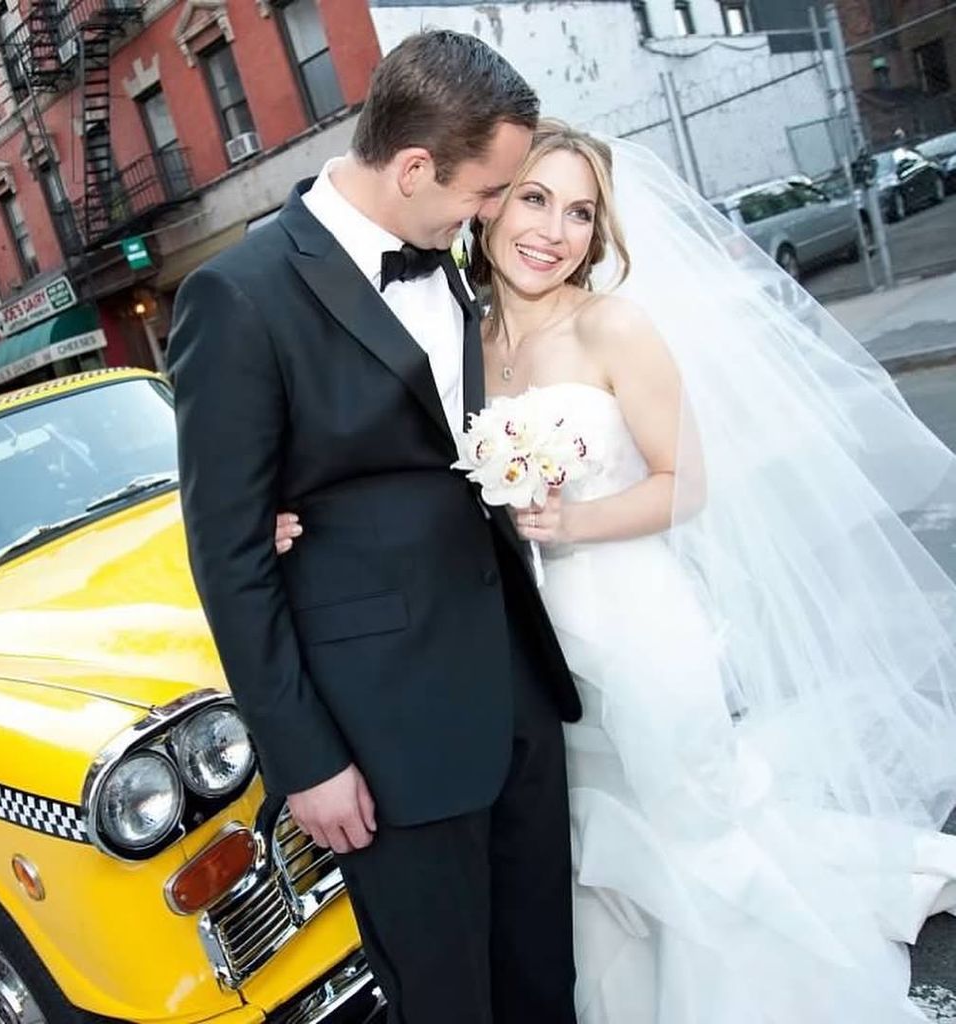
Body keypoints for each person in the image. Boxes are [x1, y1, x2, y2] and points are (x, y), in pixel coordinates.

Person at [276, 119, 956, 1022]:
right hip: (524, 652)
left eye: (580, 213)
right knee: (585, 850)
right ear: (491, 204)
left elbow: (688, 485)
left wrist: (575, 520)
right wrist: (297, 517)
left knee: (690, 831)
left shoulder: (614, 330)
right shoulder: (455, 334)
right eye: (534, 198)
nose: (553, 231)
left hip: (637, 630)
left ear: (600, 234)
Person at [167, 33, 580, 1024]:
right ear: (411, 167)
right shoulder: (238, 298)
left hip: (515, 690)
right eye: (486, 192)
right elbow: (228, 558)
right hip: (387, 735)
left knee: (542, 980)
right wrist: (304, 757)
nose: (494, 216)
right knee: (445, 1002)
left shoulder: (451, 266)